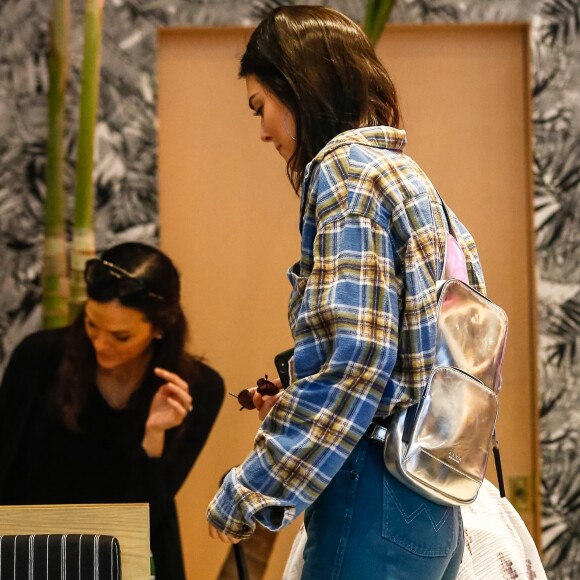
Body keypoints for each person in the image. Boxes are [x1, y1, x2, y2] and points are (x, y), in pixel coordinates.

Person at [207, 5, 485, 578]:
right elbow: (441, 351)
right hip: (433, 501)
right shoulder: (410, 179)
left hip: (373, 492)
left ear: (299, 87)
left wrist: (249, 489)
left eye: (262, 107)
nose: (262, 131)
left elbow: (355, 362)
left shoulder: (345, 174)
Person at [0, 242, 225, 580]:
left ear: (160, 328)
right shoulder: (38, 358)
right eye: (92, 325)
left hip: (128, 562)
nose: (101, 343)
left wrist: (153, 440)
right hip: (30, 556)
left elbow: (147, 516)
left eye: (121, 336)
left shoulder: (195, 389)